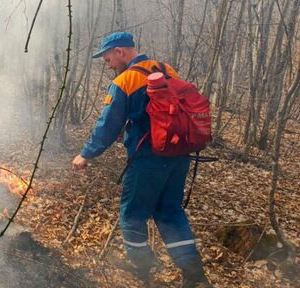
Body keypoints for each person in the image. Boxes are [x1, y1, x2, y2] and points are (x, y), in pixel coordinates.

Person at [71, 32, 210, 287]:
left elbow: (108, 124)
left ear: (121, 52)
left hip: (148, 160)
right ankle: (194, 275)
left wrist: (86, 154)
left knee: (132, 214)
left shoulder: (125, 81)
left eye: (108, 58)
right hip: (179, 157)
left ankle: (142, 268)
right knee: (169, 213)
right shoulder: (168, 69)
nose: (109, 64)